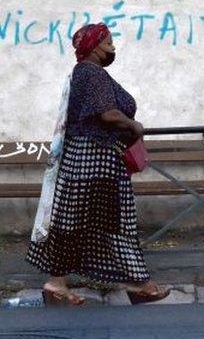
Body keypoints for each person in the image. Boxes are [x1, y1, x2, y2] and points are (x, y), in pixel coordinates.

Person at [26, 23, 169, 306]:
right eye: (108, 42)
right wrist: (134, 125)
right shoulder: (91, 73)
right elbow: (107, 114)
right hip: (95, 160)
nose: (113, 47)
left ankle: (58, 285)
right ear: (93, 47)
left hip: (86, 161)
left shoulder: (84, 73)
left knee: (76, 222)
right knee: (115, 222)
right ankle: (137, 283)